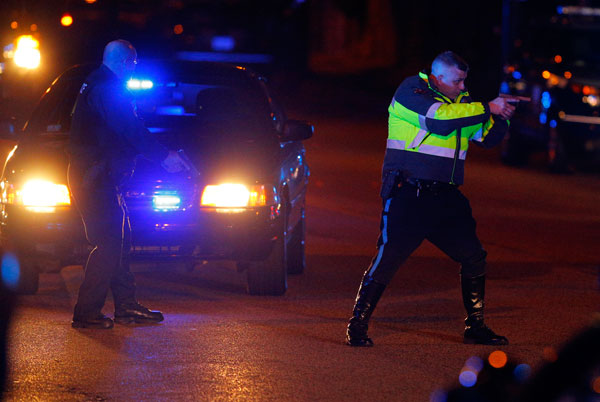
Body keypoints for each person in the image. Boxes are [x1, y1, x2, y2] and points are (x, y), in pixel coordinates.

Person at [346, 51, 517, 347]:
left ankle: (475, 326)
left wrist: (501, 117)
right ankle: (357, 324)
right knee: (387, 260)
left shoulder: (461, 103)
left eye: (465, 81)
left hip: (446, 197)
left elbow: (486, 138)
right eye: (458, 81)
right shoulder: (411, 92)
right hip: (409, 195)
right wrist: (487, 106)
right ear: (437, 78)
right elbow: (438, 120)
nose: (463, 87)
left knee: (474, 256)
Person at [67, 39, 189, 329]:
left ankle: (126, 307)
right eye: (133, 65)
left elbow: (120, 134)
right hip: (94, 179)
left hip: (101, 177)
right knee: (109, 243)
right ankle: (86, 313)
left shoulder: (98, 83)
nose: (133, 70)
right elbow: (129, 129)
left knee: (119, 242)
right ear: (125, 62)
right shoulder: (108, 89)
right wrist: (163, 156)